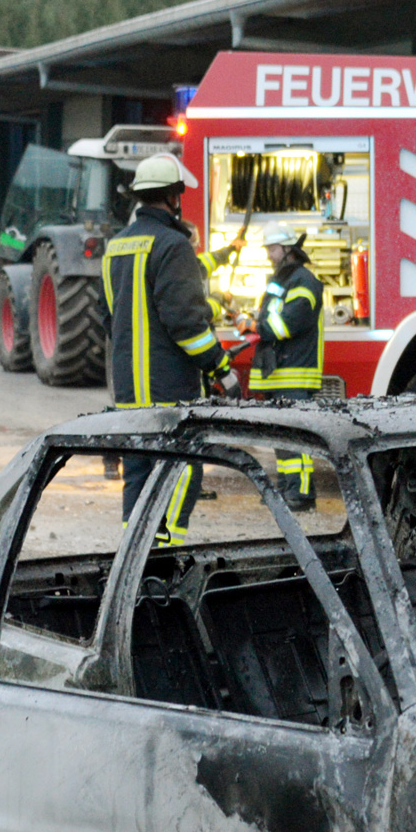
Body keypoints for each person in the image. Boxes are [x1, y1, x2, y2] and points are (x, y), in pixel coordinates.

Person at [101, 152, 238, 541]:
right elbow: (187, 324)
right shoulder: (174, 246)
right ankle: (166, 562)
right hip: (169, 394)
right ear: (175, 197)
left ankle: (135, 561)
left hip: (129, 393)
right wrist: (219, 367)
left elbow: (108, 318)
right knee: (182, 471)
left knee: (138, 476)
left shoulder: (116, 248)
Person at [242, 225, 325, 511]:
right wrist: (253, 320)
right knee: (283, 439)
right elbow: (271, 315)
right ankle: (288, 489)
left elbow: (289, 322)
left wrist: (257, 327)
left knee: (296, 440)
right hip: (280, 372)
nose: (268, 254)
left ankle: (301, 495)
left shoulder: (305, 282)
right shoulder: (283, 279)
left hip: (295, 373)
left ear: (288, 248)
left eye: (272, 248)